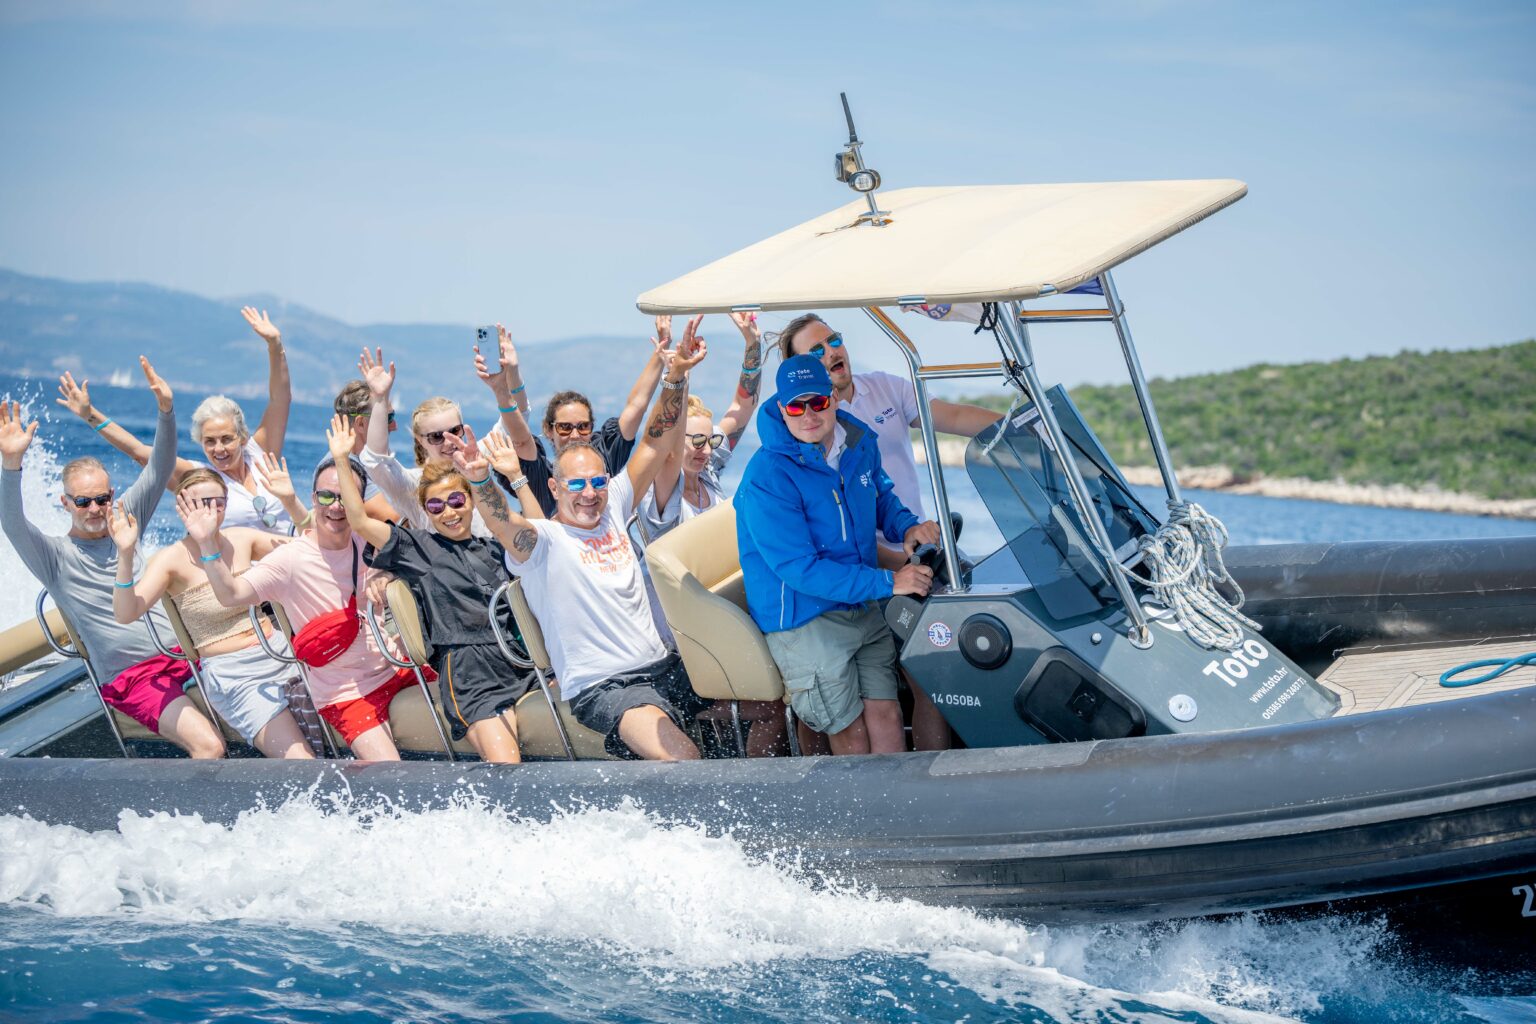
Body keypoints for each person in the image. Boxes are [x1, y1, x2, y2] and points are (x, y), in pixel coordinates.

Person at [462, 318, 710, 761]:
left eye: (597, 482)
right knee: (684, 759)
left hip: (664, 666)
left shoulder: (614, 503)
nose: (590, 494)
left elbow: (654, 442)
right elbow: (503, 524)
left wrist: (675, 375)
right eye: (576, 485)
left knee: (768, 703)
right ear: (555, 488)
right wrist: (480, 480)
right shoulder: (544, 542)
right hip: (606, 686)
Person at [775, 313, 1000, 750]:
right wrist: (901, 568)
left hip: (916, 556)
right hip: (868, 573)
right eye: (816, 351)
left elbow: (952, 416)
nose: (831, 352)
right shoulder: (808, 429)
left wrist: (1025, 424)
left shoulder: (886, 388)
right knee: (927, 677)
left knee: (963, 650)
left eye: (834, 340)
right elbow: (834, 534)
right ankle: (924, 775)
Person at [0, 365, 224, 758]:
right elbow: (12, 521)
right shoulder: (54, 556)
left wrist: (166, 411)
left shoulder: (125, 519)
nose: (94, 509)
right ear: (65, 502)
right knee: (209, 747)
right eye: (83, 501)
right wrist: (11, 465)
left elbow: (160, 466)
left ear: (112, 496)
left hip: (186, 655)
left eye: (102, 499)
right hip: (133, 677)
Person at [735, 355, 941, 756]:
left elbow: (879, 495)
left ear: (832, 397)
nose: (809, 415)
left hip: (858, 600)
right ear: (782, 409)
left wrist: (907, 527)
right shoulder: (767, 476)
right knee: (852, 735)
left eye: (817, 402)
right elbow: (799, 570)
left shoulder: (857, 442)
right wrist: (889, 581)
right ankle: (863, 800)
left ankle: (900, 796)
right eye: (796, 406)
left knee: (888, 715)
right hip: (803, 615)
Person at [327, 414, 536, 763]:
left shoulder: (495, 548)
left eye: (456, 501)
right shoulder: (418, 548)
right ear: (426, 511)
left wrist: (506, 476)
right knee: (506, 765)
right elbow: (359, 521)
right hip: (471, 673)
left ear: (471, 501)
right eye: (436, 506)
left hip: (518, 659)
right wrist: (341, 460)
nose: (448, 512)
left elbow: (538, 535)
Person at [195, 453, 422, 760]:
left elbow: (418, 547)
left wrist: (385, 573)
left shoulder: (371, 540)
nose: (336, 506)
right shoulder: (290, 560)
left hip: (397, 666)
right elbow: (231, 594)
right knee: (389, 772)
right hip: (345, 693)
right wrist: (207, 543)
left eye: (345, 498)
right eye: (326, 496)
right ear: (314, 498)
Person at [108, 471, 315, 759]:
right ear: (181, 506)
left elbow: (310, 550)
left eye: (218, 501)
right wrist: (125, 553)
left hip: (281, 653)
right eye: (201, 503)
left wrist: (290, 501)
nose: (210, 510)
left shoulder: (241, 539)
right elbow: (125, 613)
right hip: (236, 675)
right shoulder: (171, 559)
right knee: (301, 760)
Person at [57, 306, 301, 533]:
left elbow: (280, 399)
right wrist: (90, 414)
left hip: (293, 555)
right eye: (209, 441)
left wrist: (274, 344)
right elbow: (138, 451)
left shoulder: (261, 453)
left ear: (243, 437)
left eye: (226, 439)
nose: (219, 449)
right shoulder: (197, 477)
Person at [489, 317, 678, 517]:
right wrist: (508, 379)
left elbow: (636, 407)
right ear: (549, 430)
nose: (575, 435)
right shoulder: (541, 479)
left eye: (583, 426)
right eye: (564, 427)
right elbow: (521, 440)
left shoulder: (603, 459)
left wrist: (661, 351)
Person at [355, 342, 538, 534]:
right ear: (420, 440)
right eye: (437, 436)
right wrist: (380, 399)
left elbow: (519, 419)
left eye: (455, 431)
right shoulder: (412, 485)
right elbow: (375, 462)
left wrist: (512, 373)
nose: (449, 442)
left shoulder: (478, 459)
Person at [637, 311, 764, 539]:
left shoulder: (707, 469)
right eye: (697, 441)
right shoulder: (660, 488)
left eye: (710, 441)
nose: (706, 450)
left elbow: (744, 406)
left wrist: (752, 343)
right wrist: (679, 374)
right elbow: (667, 436)